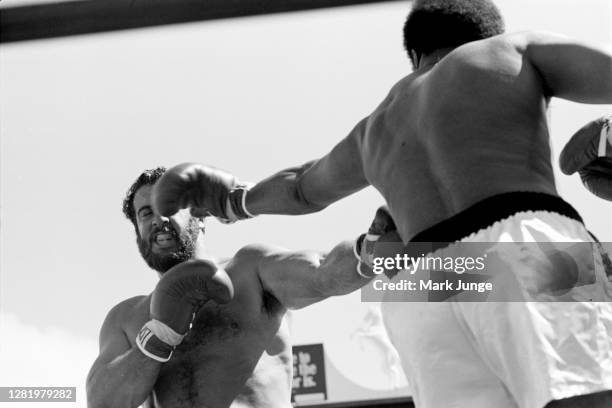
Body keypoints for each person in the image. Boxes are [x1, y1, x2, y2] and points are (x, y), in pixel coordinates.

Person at [150, 1, 612, 407]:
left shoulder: (376, 125)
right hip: (522, 245)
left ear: (413, 56)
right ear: (487, 33)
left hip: (420, 285)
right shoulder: (511, 49)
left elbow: (301, 187)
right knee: (585, 398)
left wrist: (233, 200)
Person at [85, 167, 397, 408]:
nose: (157, 220)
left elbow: (323, 273)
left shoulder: (251, 270)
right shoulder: (125, 317)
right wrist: (158, 336)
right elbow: (103, 401)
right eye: (145, 213)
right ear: (138, 231)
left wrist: (369, 250)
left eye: (166, 207)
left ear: (198, 216)